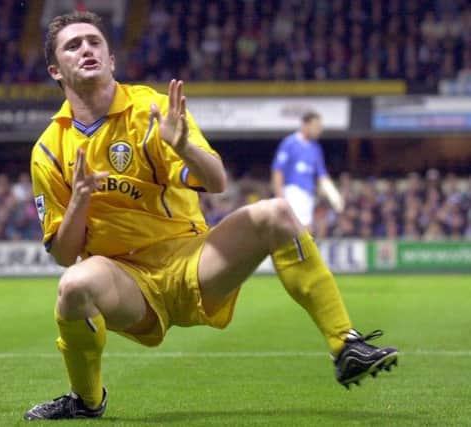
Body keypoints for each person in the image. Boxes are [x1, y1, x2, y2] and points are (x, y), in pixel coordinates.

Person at [25, 11, 398, 421]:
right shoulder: (49, 149)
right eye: (73, 45)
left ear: (112, 59)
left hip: (193, 262)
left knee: (275, 213)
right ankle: (87, 401)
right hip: (125, 281)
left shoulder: (151, 108)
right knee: (74, 284)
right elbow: (63, 254)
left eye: (94, 42)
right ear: (55, 70)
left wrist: (184, 147)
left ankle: (345, 344)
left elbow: (217, 181)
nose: (86, 49)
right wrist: (78, 200)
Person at [271, 112, 344, 228]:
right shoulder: (290, 143)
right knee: (295, 230)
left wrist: (334, 195)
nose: (319, 131)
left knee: (306, 231)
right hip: (293, 192)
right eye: (316, 127)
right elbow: (278, 171)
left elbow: (322, 176)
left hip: (308, 194)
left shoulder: (316, 148)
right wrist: (280, 197)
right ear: (305, 125)